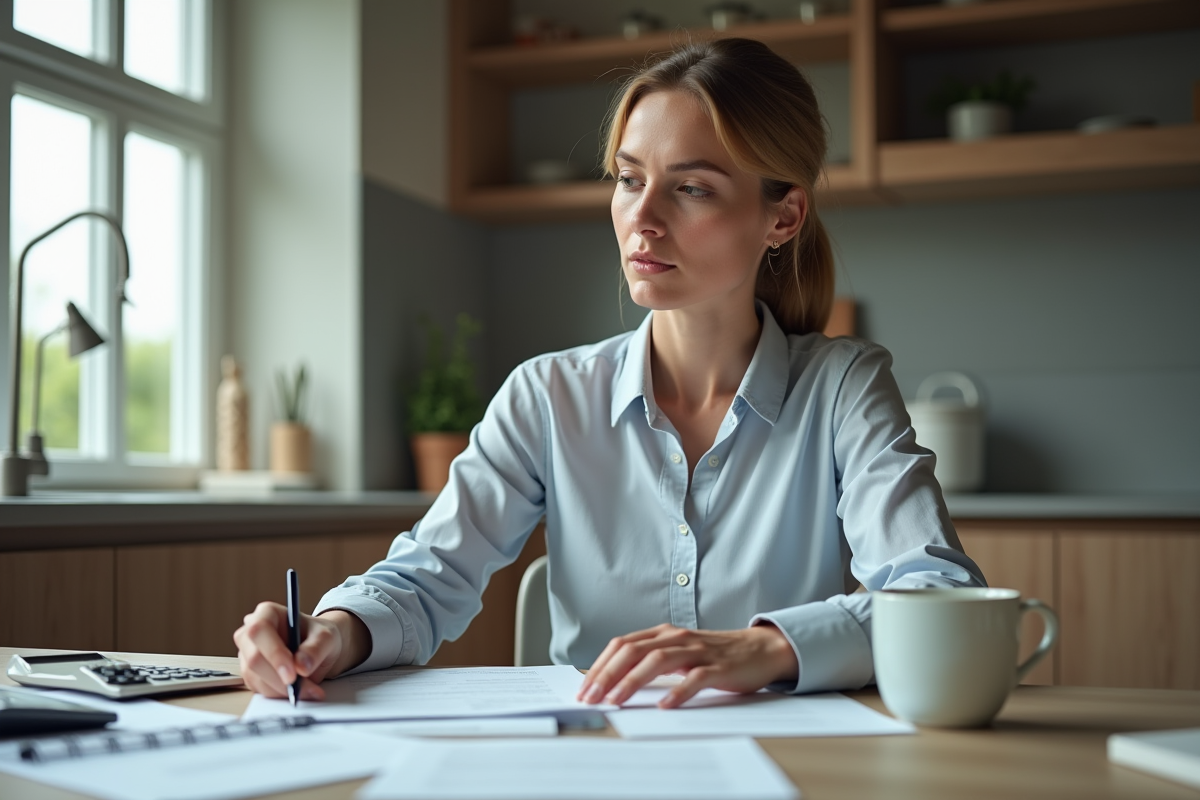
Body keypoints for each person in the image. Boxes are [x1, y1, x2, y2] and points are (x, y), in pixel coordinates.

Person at [234, 38, 985, 709]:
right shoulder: (546, 395)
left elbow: (939, 594)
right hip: (590, 764)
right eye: (629, 180)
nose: (642, 218)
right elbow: (427, 579)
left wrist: (769, 647)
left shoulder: (844, 388)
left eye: (691, 188)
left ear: (782, 217)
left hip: (789, 766)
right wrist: (331, 631)